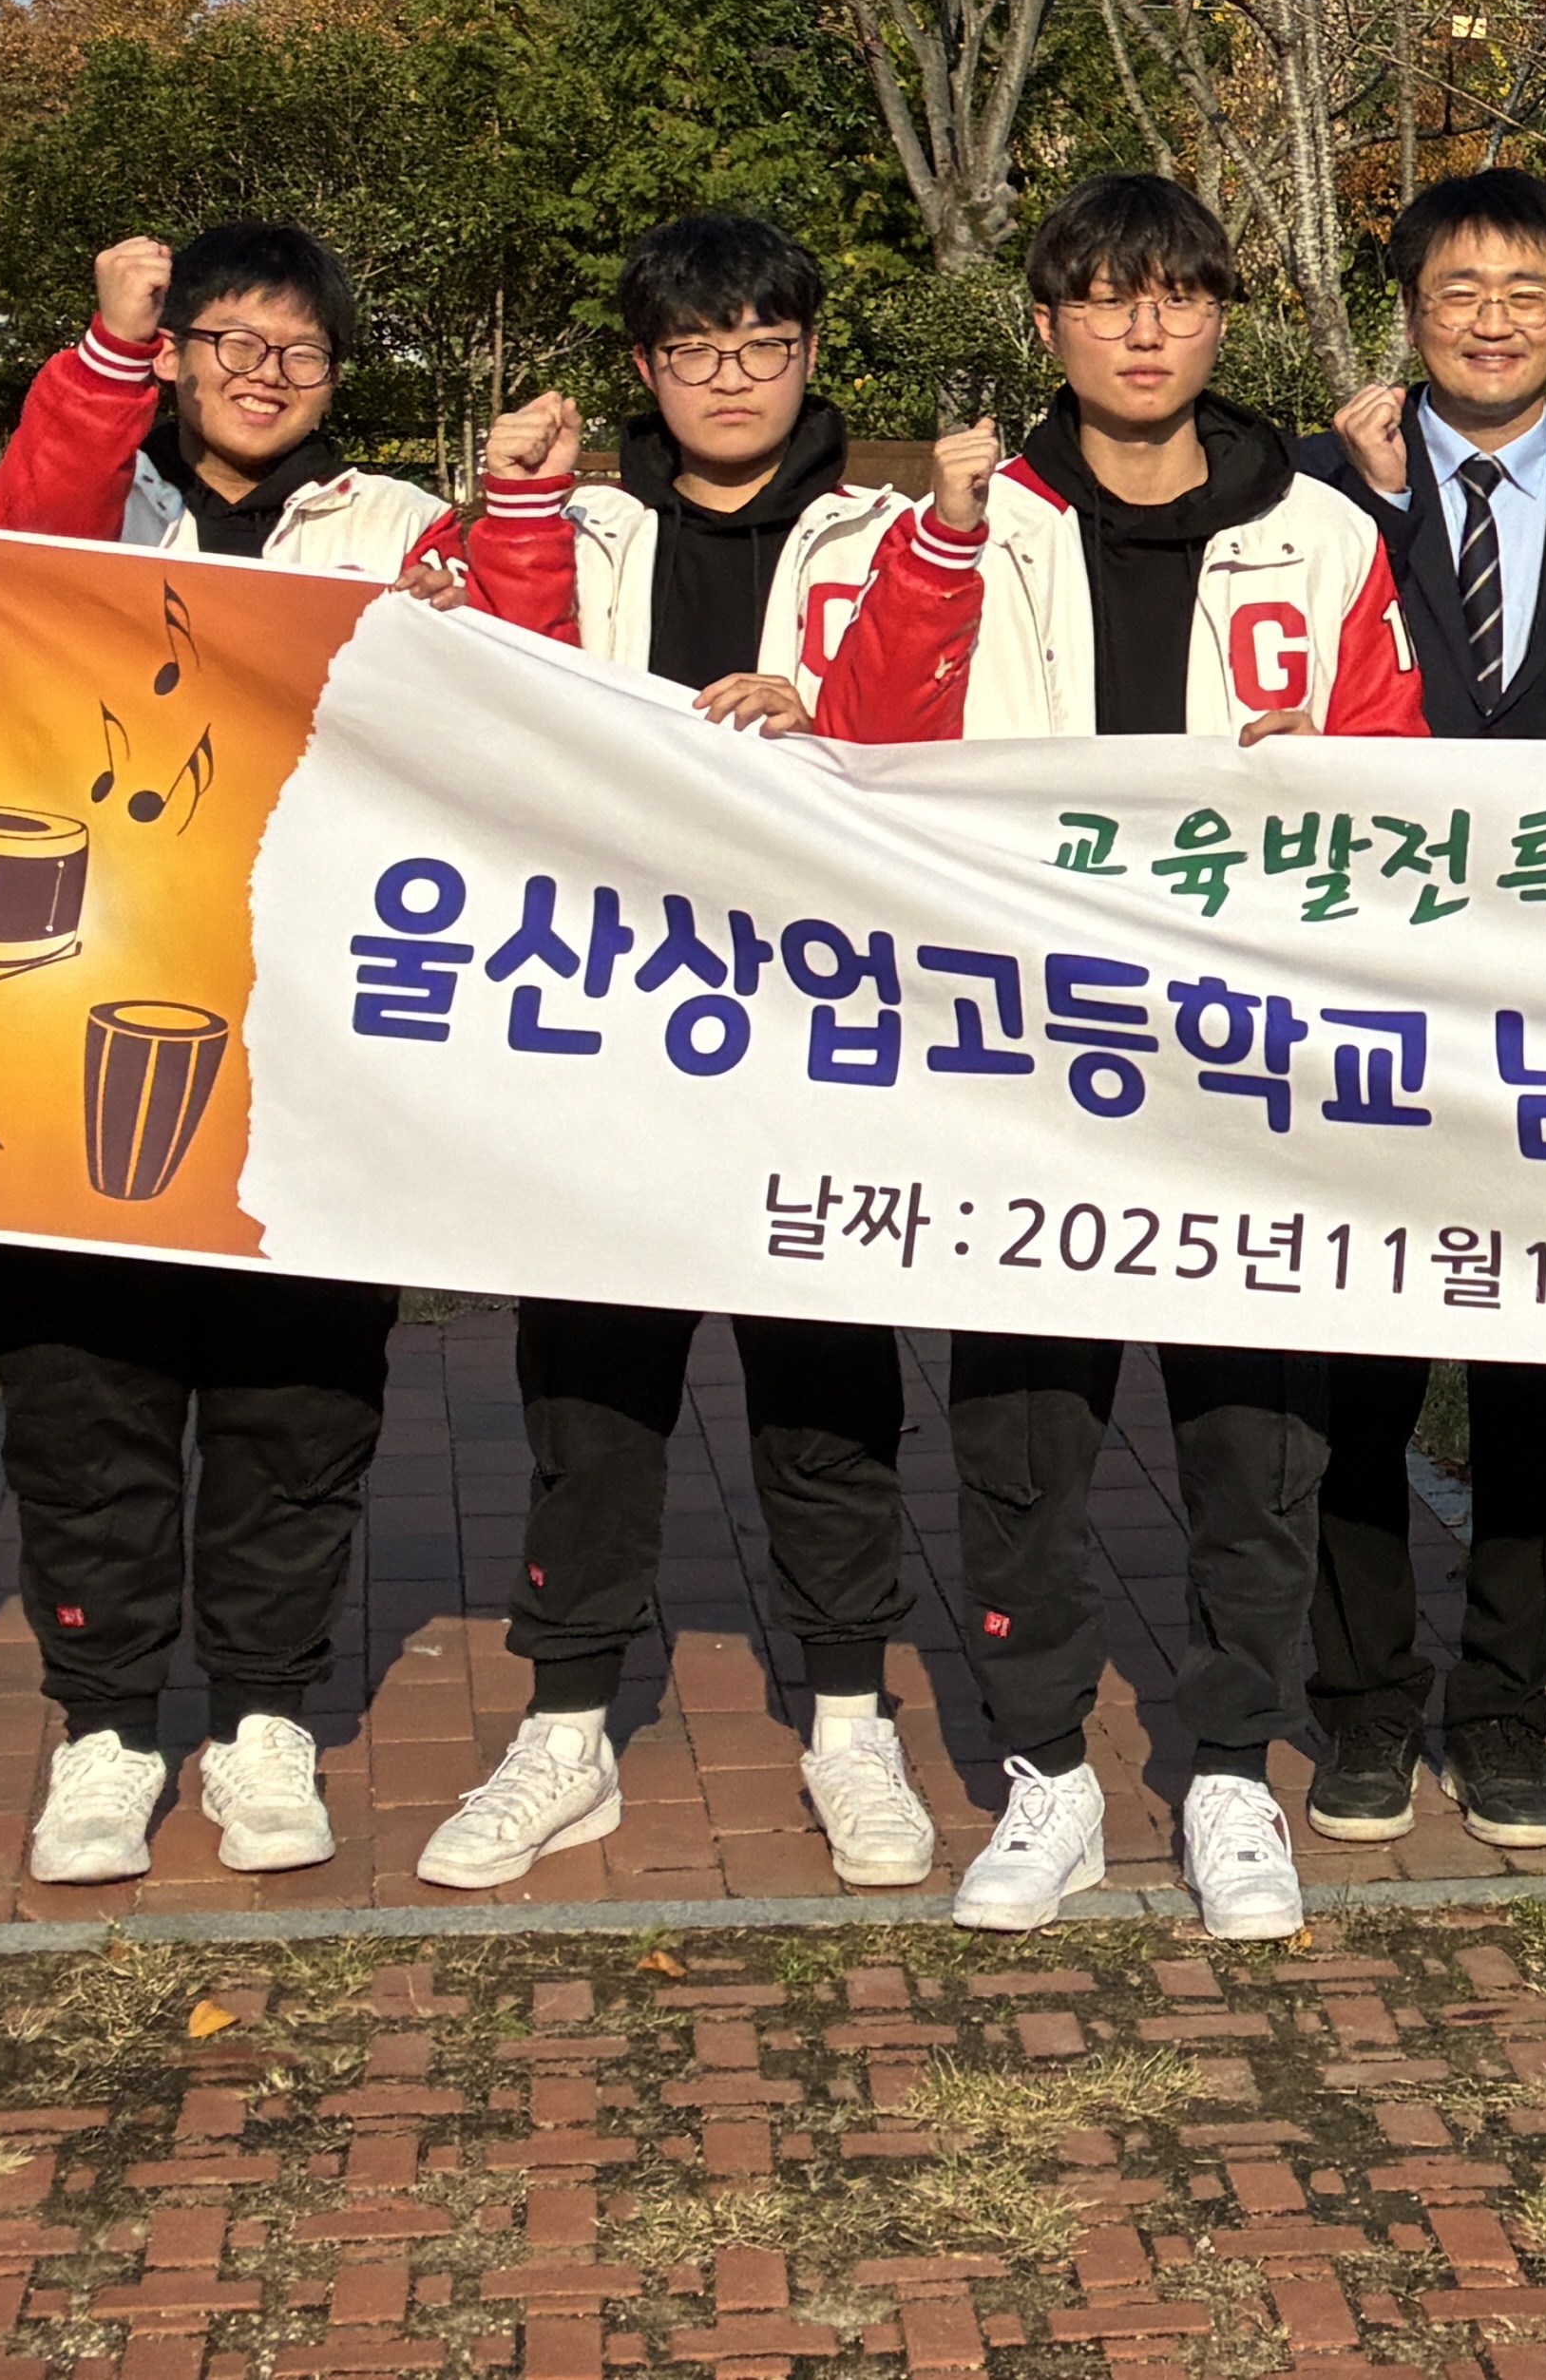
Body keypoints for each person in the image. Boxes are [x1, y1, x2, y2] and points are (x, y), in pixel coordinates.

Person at [817, 172, 1424, 1943]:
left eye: (1176, 296)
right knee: (1020, 1426)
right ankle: (1045, 1774)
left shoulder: (1320, 532)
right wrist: (931, 551)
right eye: (1103, 297)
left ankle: (1231, 1762)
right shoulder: (958, 524)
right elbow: (870, 736)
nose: (1144, 329)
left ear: (1222, 318)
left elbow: (1387, 788)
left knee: (1257, 1431)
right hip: (1018, 1055)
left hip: (1242, 1059)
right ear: (1047, 325)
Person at [421, 213, 930, 1894]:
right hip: (615, 1029)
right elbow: (489, 693)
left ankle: (851, 1718)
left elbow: (965, 725)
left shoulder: (891, 531)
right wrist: (505, 511)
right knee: (592, 1387)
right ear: (646, 368)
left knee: (830, 1385)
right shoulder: (577, 519)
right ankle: (567, 1727)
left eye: (764, 345)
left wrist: (829, 716)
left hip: (819, 1030)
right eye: (698, 350)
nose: (733, 376)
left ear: (808, 356)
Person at [0, 225, 436, 1893]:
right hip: (76, 998)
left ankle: (262, 1714)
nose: (261, 374)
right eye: (226, 339)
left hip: (316, 1028)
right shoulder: (100, 485)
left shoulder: (391, 529)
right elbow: (17, 555)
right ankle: (104, 1724)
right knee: (82, 1377)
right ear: (167, 354)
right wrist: (105, 344)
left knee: (299, 1388)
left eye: (298, 351)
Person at [1292, 165, 1546, 1856]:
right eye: (1460, 291)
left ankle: (1506, 1708)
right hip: (1365, 1004)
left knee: (1545, 1378)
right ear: (1413, 312)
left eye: (1526, 290)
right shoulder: (1315, 496)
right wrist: (1376, 508)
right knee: (1354, 1378)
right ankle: (1364, 1713)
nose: (1495, 319)